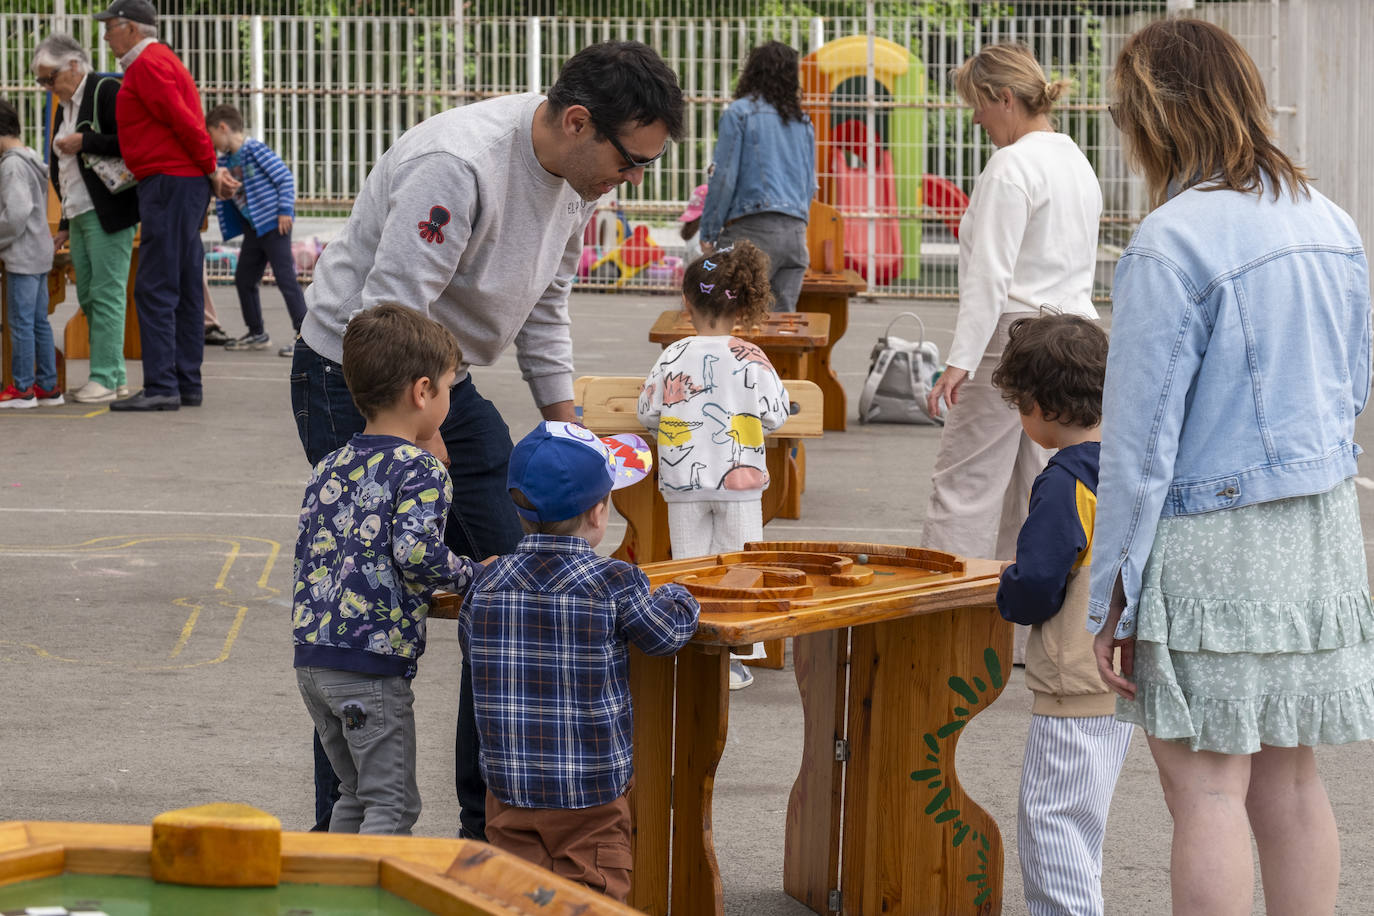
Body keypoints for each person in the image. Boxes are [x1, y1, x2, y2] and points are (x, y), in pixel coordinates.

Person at [290, 40, 684, 838]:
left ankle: (486, 827)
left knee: (514, 581)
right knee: (361, 605)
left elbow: (547, 302)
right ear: (579, 122)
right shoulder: (459, 165)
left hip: (442, 377)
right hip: (359, 370)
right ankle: (345, 835)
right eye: (632, 161)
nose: (633, 180)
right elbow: (390, 315)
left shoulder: (580, 180)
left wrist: (567, 424)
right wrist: (415, 448)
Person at [1089, 20, 1374, 916]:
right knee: (1290, 788)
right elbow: (1352, 381)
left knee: (1206, 793)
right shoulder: (1331, 222)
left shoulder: (1171, 243)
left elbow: (1138, 446)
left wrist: (1111, 597)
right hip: (1318, 533)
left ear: (1151, 118)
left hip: (1213, 540)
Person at [460, 420, 699, 900]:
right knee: (593, 893)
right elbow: (666, 634)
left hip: (509, 788)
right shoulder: (615, 582)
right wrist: (679, 594)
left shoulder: (486, 583)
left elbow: (472, 647)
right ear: (598, 511)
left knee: (513, 896)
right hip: (590, 796)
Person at [922, 43, 1101, 670]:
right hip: (1074, 330)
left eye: (978, 105)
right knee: (1042, 483)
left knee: (965, 482)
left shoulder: (1011, 167)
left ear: (1004, 97)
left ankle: (946, 622)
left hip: (1011, 332)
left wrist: (961, 360)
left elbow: (989, 278)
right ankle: (1036, 627)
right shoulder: (1076, 160)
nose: (976, 120)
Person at [293, 304, 482, 835]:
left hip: (315, 661)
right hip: (370, 665)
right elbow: (418, 554)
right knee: (392, 806)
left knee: (353, 794)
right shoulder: (421, 469)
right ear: (422, 393)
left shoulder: (330, 464)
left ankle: (335, 894)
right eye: (448, 387)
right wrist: (474, 574)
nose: (447, 398)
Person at [990, 314, 1131, 916]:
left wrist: (1007, 590)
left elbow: (1040, 582)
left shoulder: (1063, 481)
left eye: (1021, 405)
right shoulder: (1127, 466)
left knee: (1051, 824)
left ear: (1044, 405)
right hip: (1118, 673)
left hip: (1073, 680)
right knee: (1083, 820)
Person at [636, 241, 790, 689]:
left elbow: (648, 412)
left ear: (687, 302)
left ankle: (693, 650)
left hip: (683, 481)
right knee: (740, 569)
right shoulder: (752, 357)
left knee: (690, 570)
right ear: (743, 303)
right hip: (740, 483)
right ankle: (735, 658)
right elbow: (776, 414)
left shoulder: (672, 355)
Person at [96, 0, 239, 412]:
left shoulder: (148, 64)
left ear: (131, 28)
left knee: (156, 285)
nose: (106, 37)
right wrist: (209, 171)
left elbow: (184, 121)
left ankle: (162, 385)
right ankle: (184, 383)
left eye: (110, 28)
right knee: (184, 285)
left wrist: (212, 168)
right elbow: (185, 120)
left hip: (169, 183)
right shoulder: (157, 60)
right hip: (180, 182)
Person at [32, 34, 138, 405]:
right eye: (42, 81)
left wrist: (85, 142)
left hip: (108, 210)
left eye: (50, 77)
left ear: (74, 66)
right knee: (91, 296)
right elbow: (66, 172)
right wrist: (62, 224)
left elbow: (131, 142)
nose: (47, 86)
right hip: (79, 211)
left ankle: (105, 377)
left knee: (106, 294)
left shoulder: (106, 90)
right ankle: (115, 376)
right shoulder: (65, 104)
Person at [698, 41, 814, 312]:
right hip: (795, 237)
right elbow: (810, 184)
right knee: (781, 332)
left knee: (726, 318)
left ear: (752, 72)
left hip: (750, 233)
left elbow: (724, 177)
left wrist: (709, 230)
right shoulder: (803, 121)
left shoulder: (740, 113)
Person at [206, 103, 305, 358]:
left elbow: (284, 177)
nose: (212, 141)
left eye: (212, 134)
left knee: (285, 279)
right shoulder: (225, 161)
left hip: (273, 224)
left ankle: (305, 337)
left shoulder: (254, 150)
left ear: (223, 128)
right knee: (244, 279)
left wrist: (285, 210)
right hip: (254, 229)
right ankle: (257, 332)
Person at [0, 100, 61, 408]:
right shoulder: (31, 157)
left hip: (22, 255)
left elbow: (15, 214)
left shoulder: (10, 165)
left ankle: (22, 388)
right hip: (40, 252)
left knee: (20, 323)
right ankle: (48, 386)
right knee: (38, 322)